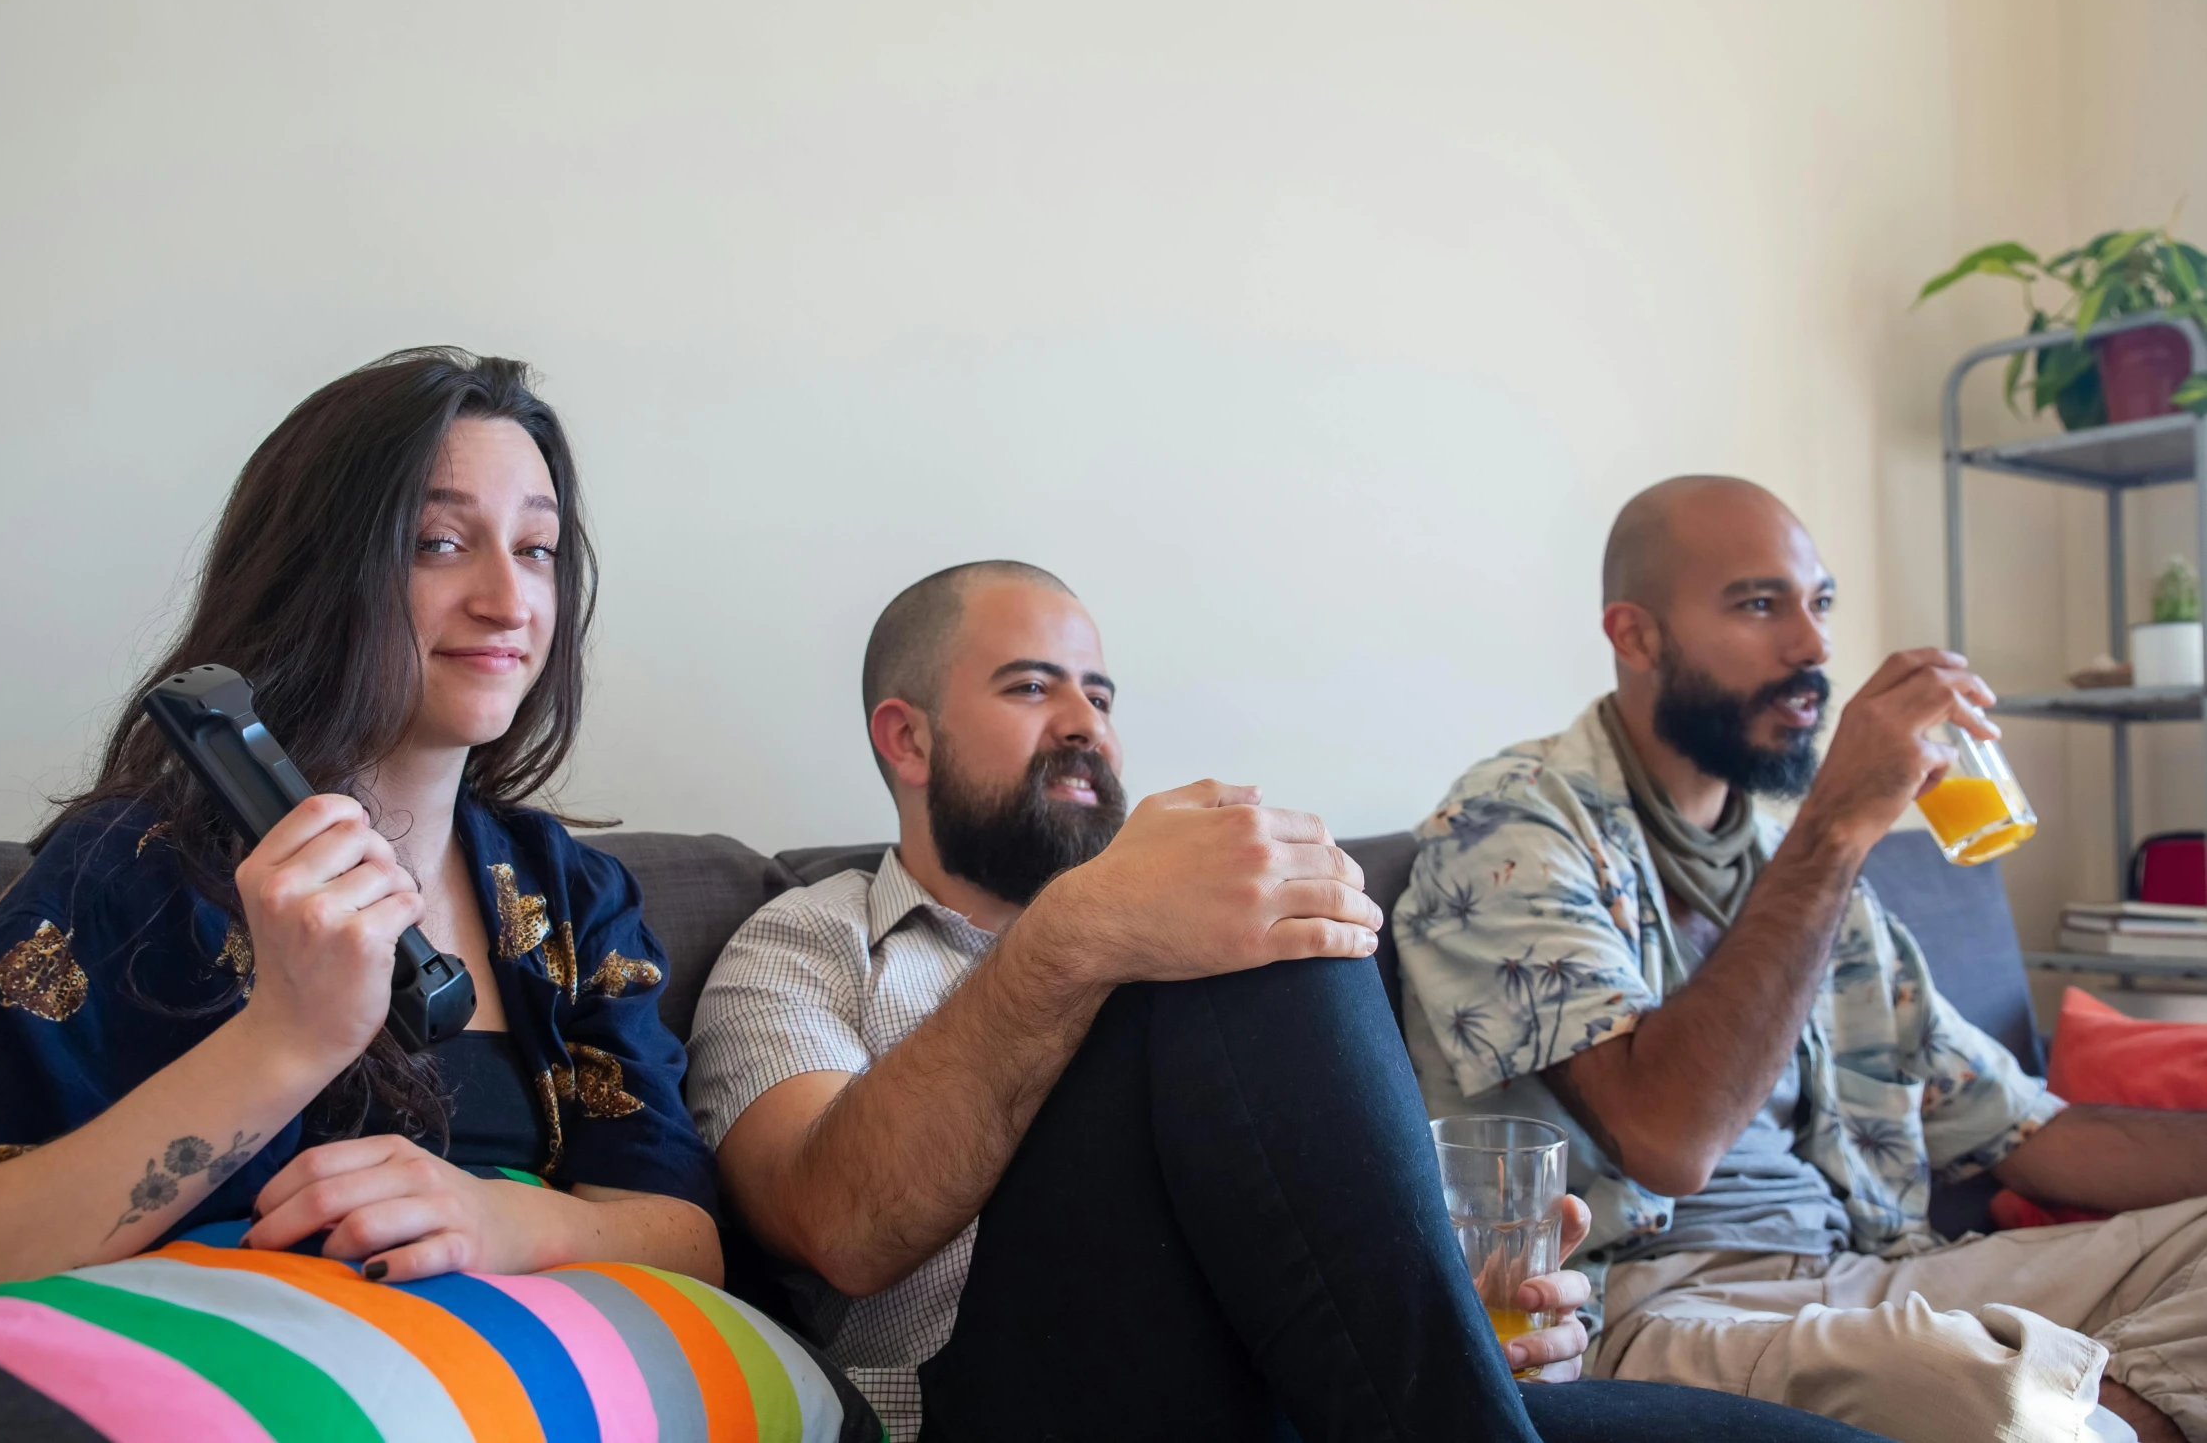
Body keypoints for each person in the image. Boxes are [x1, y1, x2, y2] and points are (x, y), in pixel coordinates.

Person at [688, 559, 1887, 1443]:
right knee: (1240, 914)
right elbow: (838, 1225)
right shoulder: (802, 943)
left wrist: (1447, 1308)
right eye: (1029, 688)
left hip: (1293, 1401)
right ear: (906, 737)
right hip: (1019, 1409)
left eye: (1099, 694)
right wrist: (1082, 932)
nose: (1085, 728)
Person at [0, 348, 720, 1300]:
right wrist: (288, 1039)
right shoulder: (131, 871)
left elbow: (686, 1239)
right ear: (319, 571)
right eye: (438, 541)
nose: (508, 601)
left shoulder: (571, 897)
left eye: (536, 549)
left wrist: (504, 1219)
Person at [1397, 475, 2207, 1443]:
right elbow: (1667, 1140)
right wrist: (1838, 824)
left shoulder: (1791, 859)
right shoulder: (1508, 827)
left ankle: (2093, 1420)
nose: (1812, 647)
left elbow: (2022, 1126)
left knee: (2002, 1386)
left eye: (1818, 603)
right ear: (1635, 636)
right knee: (1970, 1387)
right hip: (1656, 1305)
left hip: (1864, 1271)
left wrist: (1821, 842)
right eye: (1756, 603)